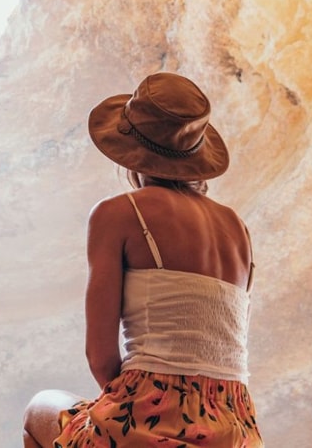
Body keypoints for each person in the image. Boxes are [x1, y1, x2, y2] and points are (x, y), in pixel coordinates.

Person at [23, 72, 263, 447]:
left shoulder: (119, 213)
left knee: (40, 408)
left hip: (150, 420)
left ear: (130, 153)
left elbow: (100, 358)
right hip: (235, 431)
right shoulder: (238, 229)